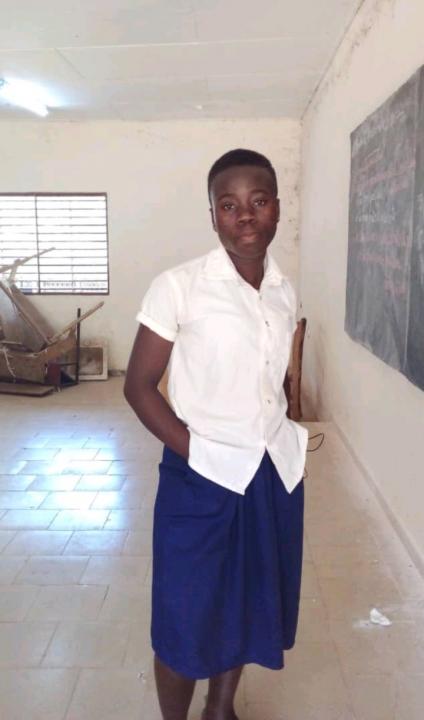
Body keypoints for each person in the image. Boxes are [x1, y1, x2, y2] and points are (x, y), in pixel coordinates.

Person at [124, 148, 308, 720]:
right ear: (212, 216)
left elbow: (273, 379)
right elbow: (138, 387)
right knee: (185, 615)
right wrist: (199, 455)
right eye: (229, 205)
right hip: (199, 476)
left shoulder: (283, 291)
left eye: (259, 201)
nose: (245, 215)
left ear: (277, 208)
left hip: (270, 472)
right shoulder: (179, 287)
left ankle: (220, 709)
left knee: (250, 602)